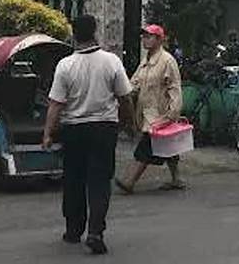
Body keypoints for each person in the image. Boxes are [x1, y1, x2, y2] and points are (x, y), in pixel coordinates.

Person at [42, 14, 134, 255]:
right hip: (104, 129)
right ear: (95, 32)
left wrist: (48, 133)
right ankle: (95, 232)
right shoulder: (111, 62)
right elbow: (125, 98)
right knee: (100, 181)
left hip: (73, 129)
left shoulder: (65, 65)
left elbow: (55, 104)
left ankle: (74, 230)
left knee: (73, 180)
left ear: (74, 35)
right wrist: (129, 123)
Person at [115, 24, 184, 193]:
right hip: (146, 111)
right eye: (144, 36)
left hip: (160, 114)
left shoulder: (167, 61)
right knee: (168, 147)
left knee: (146, 147)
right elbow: (134, 84)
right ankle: (176, 179)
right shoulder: (145, 62)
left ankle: (130, 182)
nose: (145, 40)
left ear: (159, 40)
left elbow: (174, 88)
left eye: (149, 36)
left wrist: (172, 113)